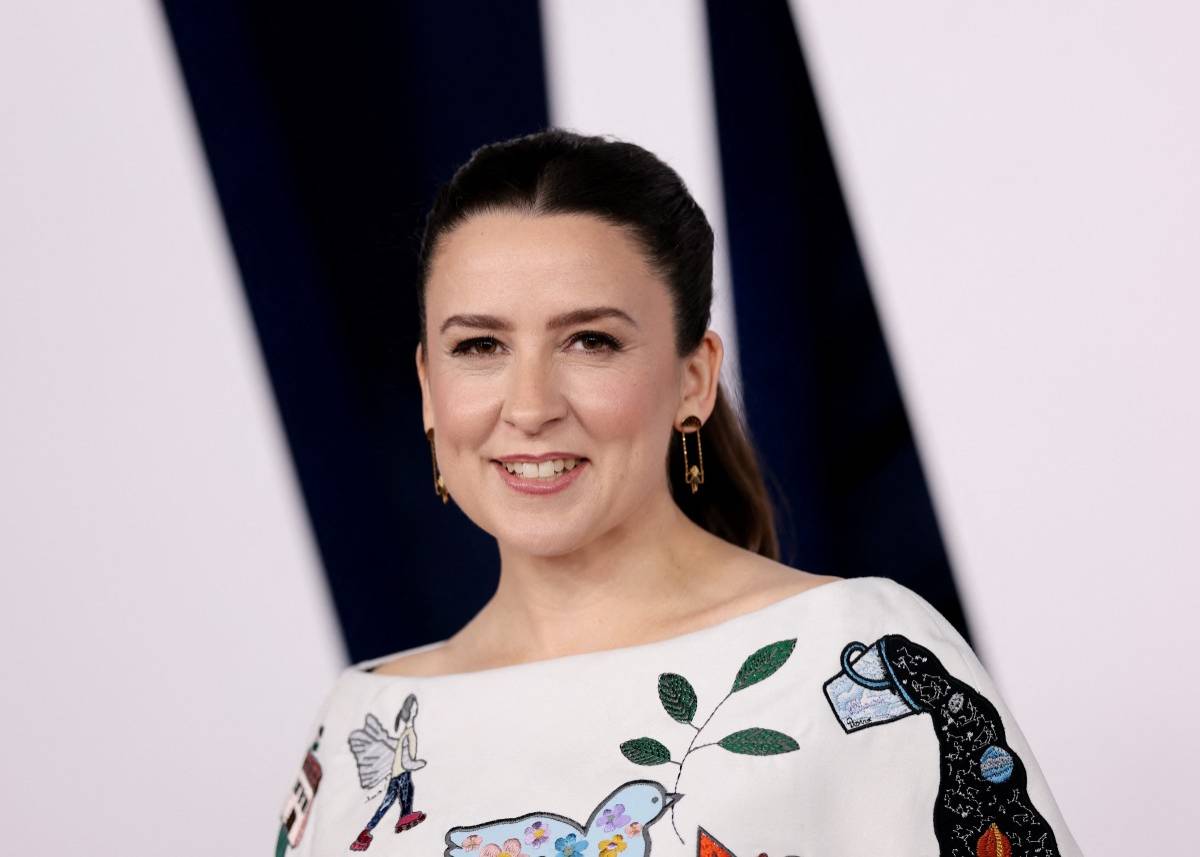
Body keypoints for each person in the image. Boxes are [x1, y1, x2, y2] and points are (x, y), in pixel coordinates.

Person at [273, 129, 1081, 856]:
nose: (528, 405)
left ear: (694, 378)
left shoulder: (851, 652)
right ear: (427, 387)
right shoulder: (361, 719)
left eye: (591, 341)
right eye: (480, 345)